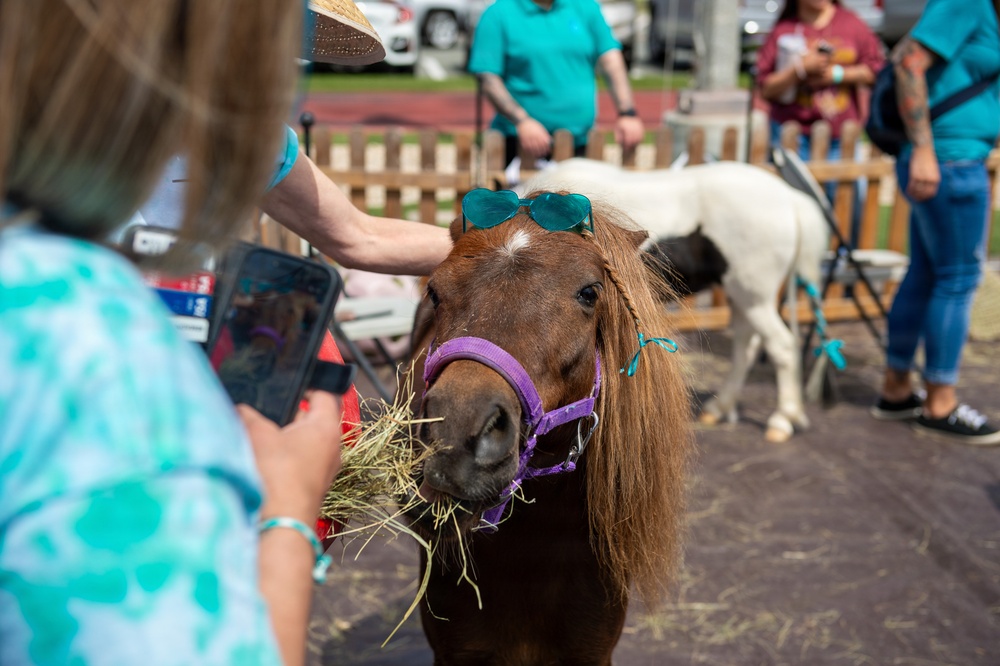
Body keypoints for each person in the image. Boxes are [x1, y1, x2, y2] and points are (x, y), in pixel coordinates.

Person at [0, 3, 413, 666]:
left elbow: (357, 235)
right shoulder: (100, 365)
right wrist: (286, 512)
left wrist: (498, 242)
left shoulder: (42, 291)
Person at [869, 0, 1000, 445]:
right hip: (950, 162)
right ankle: (940, 401)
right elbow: (909, 61)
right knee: (959, 278)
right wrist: (924, 148)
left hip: (947, 158)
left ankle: (896, 388)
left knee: (925, 274)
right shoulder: (966, 3)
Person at [756, 0, 884, 244]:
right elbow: (766, 88)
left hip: (840, 140)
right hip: (795, 139)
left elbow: (876, 70)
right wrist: (799, 70)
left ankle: (846, 270)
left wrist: (837, 74)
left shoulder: (851, 23)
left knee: (848, 210)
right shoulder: (784, 30)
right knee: (795, 215)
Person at [467, 0, 645, 170]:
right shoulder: (498, 13)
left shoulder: (585, 6)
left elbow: (610, 59)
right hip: (520, 145)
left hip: (580, 143)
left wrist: (627, 112)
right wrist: (522, 121)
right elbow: (488, 77)